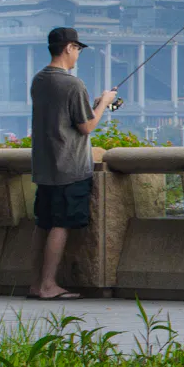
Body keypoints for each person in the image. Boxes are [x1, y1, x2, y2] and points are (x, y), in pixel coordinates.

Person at [27, 26, 117, 301]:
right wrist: (105, 103)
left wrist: (94, 103)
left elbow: (62, 116)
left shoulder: (39, 80)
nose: (78, 54)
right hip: (70, 166)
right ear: (68, 48)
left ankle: (35, 283)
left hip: (45, 165)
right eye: (77, 49)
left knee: (43, 224)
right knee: (60, 224)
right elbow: (86, 126)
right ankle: (48, 285)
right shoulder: (72, 84)